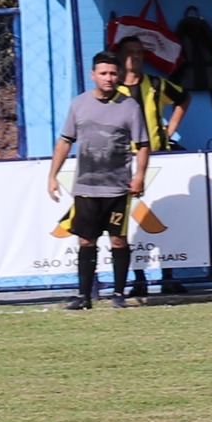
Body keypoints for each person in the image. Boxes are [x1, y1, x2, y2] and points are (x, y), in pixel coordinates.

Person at [46, 52, 148, 310]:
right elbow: (64, 141)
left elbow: (143, 145)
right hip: (86, 188)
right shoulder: (79, 104)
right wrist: (52, 176)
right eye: (103, 73)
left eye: (113, 73)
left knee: (118, 240)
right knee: (86, 240)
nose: (109, 78)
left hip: (118, 188)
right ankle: (83, 296)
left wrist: (139, 176)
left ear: (119, 76)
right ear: (93, 75)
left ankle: (118, 293)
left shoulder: (130, 106)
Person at [114, 37, 190, 297]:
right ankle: (139, 278)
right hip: (125, 161)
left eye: (138, 52)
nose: (134, 57)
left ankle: (168, 276)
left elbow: (183, 97)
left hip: (159, 159)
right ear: (120, 56)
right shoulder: (112, 88)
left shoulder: (156, 85)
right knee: (132, 222)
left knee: (163, 219)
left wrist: (170, 130)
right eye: (129, 53)